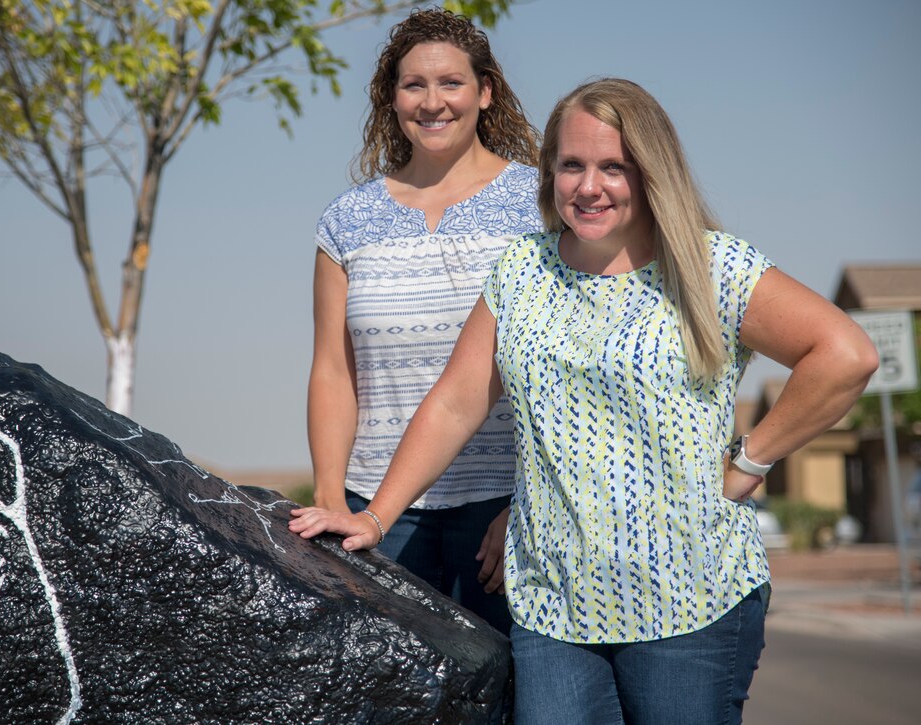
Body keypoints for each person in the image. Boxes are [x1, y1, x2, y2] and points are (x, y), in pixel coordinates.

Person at [292, 78, 879, 723]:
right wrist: (375, 517)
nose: (589, 186)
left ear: (652, 173)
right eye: (572, 165)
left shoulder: (710, 268)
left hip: (691, 598)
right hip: (554, 605)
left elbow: (844, 356)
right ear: (550, 174)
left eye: (613, 167)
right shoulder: (523, 269)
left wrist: (749, 462)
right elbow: (457, 402)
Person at [306, 8, 540, 633]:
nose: (432, 102)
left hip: (506, 506)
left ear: (485, 92)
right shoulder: (346, 220)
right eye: (414, 85)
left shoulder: (542, 205)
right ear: (392, 97)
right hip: (379, 511)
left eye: (451, 83)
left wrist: (532, 502)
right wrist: (332, 492)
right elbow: (333, 369)